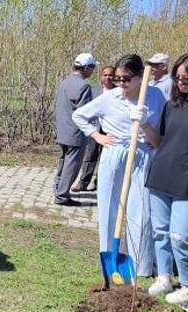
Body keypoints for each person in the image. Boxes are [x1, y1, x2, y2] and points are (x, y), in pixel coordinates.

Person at [72, 54, 166, 277]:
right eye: (117, 79)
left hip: (142, 155)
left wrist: (144, 124)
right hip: (114, 155)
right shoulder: (110, 98)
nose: (121, 84)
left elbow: (159, 139)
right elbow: (80, 116)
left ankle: (140, 264)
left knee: (141, 210)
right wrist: (97, 136)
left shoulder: (155, 96)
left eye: (126, 79)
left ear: (140, 77)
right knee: (108, 207)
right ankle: (109, 256)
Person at [144, 53, 188, 311]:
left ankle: (187, 286)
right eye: (178, 78)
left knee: (180, 236)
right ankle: (164, 278)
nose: (181, 82)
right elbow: (158, 141)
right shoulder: (172, 106)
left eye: (187, 79)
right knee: (159, 232)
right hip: (161, 175)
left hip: (185, 181)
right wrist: (143, 123)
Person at [53, 53, 96, 206]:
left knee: (64, 161)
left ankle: (58, 188)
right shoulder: (83, 86)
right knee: (72, 165)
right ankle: (62, 196)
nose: (93, 71)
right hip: (75, 133)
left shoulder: (64, 82)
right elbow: (85, 112)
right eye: (93, 67)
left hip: (63, 130)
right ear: (86, 68)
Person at [72, 65, 115, 192]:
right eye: (105, 75)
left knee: (106, 158)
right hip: (95, 127)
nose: (108, 77)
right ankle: (83, 182)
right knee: (90, 155)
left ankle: (99, 182)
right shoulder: (93, 91)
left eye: (110, 75)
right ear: (101, 76)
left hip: (110, 130)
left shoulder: (118, 92)